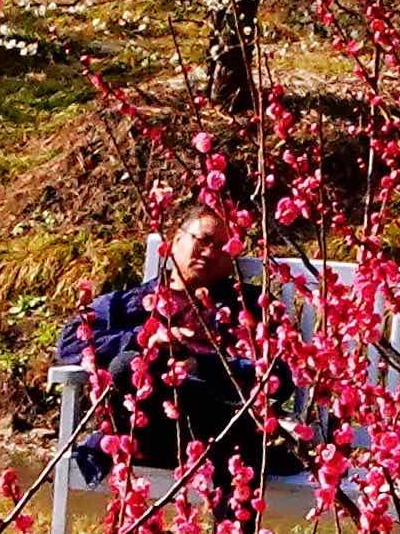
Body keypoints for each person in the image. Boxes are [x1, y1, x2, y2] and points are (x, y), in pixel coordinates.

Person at [56, 208, 279, 509]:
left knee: (233, 429)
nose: (211, 252)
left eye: (223, 248)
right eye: (204, 240)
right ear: (175, 241)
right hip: (148, 433)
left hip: (219, 433)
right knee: (126, 366)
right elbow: (71, 343)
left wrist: (203, 365)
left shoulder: (250, 310)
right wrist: (145, 339)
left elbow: (281, 376)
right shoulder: (131, 304)